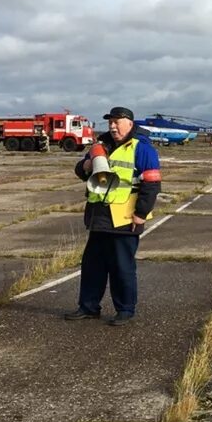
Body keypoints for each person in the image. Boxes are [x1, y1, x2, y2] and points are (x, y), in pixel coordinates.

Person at [65, 106, 161, 326]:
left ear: (129, 123)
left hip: (125, 218)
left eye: (117, 122)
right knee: (92, 266)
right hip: (99, 216)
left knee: (122, 267)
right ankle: (88, 307)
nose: (112, 126)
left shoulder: (142, 148)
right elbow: (83, 172)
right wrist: (86, 164)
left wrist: (141, 214)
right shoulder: (102, 145)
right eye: (110, 122)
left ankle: (125, 310)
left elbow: (152, 183)